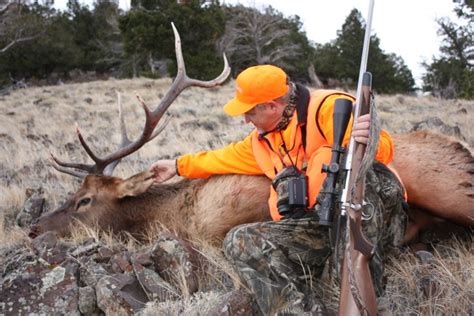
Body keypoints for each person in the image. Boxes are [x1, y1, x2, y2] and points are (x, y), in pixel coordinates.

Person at [149, 65, 406, 314]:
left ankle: (368, 291)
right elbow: (219, 158)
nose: (245, 120)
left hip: (367, 215)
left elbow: (382, 151)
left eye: (249, 112)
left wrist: (368, 138)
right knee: (240, 240)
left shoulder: (329, 109)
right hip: (320, 222)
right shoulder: (262, 142)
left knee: (352, 176)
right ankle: (297, 311)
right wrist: (177, 166)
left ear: (272, 106)